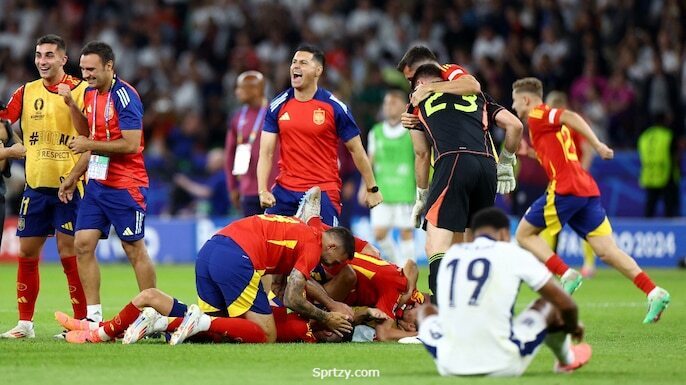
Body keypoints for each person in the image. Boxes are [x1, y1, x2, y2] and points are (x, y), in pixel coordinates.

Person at [511, 77, 670, 323]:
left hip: (565, 189)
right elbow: (557, 155)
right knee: (607, 251)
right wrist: (531, 153)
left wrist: (597, 144)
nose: (513, 107)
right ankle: (653, 291)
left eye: (514, 101)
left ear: (526, 99)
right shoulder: (541, 126)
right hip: (584, 189)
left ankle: (565, 274)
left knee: (523, 234)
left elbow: (571, 117)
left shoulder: (537, 115)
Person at [57, 214, 356, 344]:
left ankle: (102, 330)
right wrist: (326, 316)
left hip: (212, 249)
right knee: (266, 335)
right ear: (331, 246)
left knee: (212, 333)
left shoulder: (308, 228)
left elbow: (289, 281)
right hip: (239, 259)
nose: (331, 267)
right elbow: (292, 297)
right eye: (336, 260)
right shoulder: (315, 246)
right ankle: (175, 321)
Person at [417, 207, 592, 377]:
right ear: (503, 234)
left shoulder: (453, 254)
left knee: (425, 311)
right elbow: (566, 304)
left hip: (449, 364)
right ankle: (567, 359)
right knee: (549, 303)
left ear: (473, 234)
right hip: (502, 364)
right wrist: (572, 326)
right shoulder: (511, 252)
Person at [58, 41, 156, 323]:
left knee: (133, 248)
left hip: (126, 184)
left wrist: (88, 143)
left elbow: (131, 144)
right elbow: (86, 134)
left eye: (91, 69)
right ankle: (93, 317)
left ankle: (152, 314)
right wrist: (71, 104)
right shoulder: (90, 94)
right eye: (83, 69)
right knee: (83, 244)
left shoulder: (125, 97)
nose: (86, 74)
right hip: (98, 184)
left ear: (109, 66)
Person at [0, 34, 87, 339]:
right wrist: (9, 146)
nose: (42, 61)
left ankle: (81, 324)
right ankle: (25, 324)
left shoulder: (81, 90)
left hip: (70, 187)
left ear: (64, 59)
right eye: (39, 55)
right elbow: (3, 120)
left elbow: (92, 137)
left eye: (49, 55)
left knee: (69, 253)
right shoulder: (25, 92)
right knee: (26, 252)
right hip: (36, 186)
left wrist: (69, 101)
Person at [410, 64, 523, 299]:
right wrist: (505, 162)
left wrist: (422, 195)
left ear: (420, 84)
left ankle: (442, 320)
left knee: (435, 243)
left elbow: (421, 154)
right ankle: (477, 308)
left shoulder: (417, 103)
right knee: (468, 246)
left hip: (452, 161)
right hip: (487, 167)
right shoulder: (478, 97)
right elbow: (515, 125)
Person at [257, 44, 382, 226]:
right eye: (293, 62)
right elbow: (266, 153)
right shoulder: (278, 105)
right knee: (268, 239)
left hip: (323, 190)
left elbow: (357, 150)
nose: (296, 66)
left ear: (318, 70)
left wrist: (372, 187)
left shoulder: (335, 107)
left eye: (303, 63)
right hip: (285, 190)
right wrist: (263, 190)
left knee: (325, 249)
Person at [543, 91, 597, 278]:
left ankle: (549, 264)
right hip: (564, 181)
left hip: (570, 182)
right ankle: (586, 265)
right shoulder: (559, 124)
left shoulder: (569, 123)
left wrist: (578, 174)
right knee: (582, 222)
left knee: (549, 223)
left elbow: (587, 151)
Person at [362, 89, 415, 266]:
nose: (388, 107)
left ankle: (409, 269)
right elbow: (369, 162)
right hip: (381, 191)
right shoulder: (376, 132)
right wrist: (365, 187)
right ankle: (399, 263)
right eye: (386, 103)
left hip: (405, 190)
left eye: (392, 102)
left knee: (406, 232)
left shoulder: (411, 131)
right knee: (379, 233)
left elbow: (420, 157)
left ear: (403, 106)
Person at [225, 70, 277, 217]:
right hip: (248, 191)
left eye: (241, 88)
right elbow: (229, 154)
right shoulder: (236, 118)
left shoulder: (275, 114)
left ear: (255, 90)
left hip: (273, 189)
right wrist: (232, 187)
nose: (237, 92)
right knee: (252, 238)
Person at [638, 113, 680, 218]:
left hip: (649, 175)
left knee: (650, 207)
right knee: (669, 208)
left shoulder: (644, 136)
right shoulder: (668, 135)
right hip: (666, 175)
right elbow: (675, 155)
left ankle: (646, 231)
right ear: (664, 121)